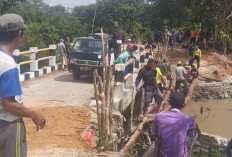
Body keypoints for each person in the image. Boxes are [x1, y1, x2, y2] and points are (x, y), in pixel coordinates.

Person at [0, 13, 46, 157]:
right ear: (20, 34)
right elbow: (9, 104)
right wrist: (34, 114)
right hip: (7, 124)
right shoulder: (8, 64)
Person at [151, 92, 197, 157]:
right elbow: (191, 135)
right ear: (183, 104)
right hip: (180, 155)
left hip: (163, 154)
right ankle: (187, 153)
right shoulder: (189, 118)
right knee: (193, 131)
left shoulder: (159, 116)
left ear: (169, 103)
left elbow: (153, 134)